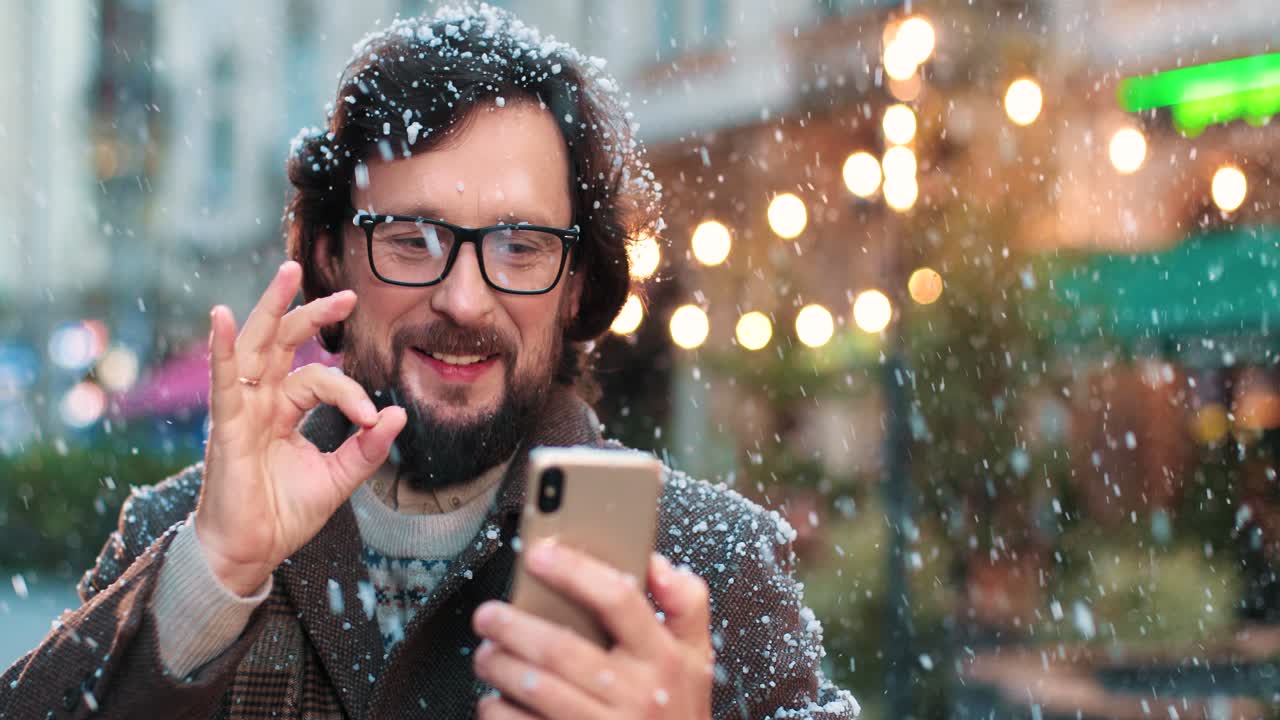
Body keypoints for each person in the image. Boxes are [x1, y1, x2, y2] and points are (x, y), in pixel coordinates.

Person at [0, 5, 858, 719]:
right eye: (411, 239)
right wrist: (208, 585)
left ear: (574, 286)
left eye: (521, 246)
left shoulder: (708, 570)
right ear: (332, 257)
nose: (465, 300)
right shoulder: (184, 533)